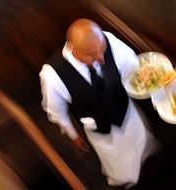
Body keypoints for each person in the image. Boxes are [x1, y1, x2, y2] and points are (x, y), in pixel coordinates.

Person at [39, 18, 157, 188]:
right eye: (92, 54)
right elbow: (56, 110)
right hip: (101, 129)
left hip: (126, 112)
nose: (101, 58)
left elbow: (131, 65)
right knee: (118, 161)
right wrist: (72, 134)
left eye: (102, 49)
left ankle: (143, 159)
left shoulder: (106, 40)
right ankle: (129, 179)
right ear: (75, 51)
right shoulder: (52, 76)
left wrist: (152, 85)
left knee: (138, 140)